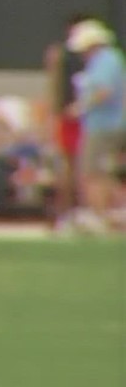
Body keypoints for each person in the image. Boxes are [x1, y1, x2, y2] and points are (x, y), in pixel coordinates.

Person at [66, 18, 125, 233]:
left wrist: (81, 106)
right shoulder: (105, 61)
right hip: (100, 125)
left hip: (103, 126)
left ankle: (100, 216)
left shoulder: (106, 60)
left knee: (92, 173)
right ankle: (114, 213)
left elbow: (104, 91)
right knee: (102, 172)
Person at [44, 13, 94, 231]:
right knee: (74, 166)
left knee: (73, 166)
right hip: (79, 117)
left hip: (73, 115)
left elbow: (55, 89)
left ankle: (69, 212)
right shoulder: (81, 57)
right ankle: (71, 212)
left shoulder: (65, 55)